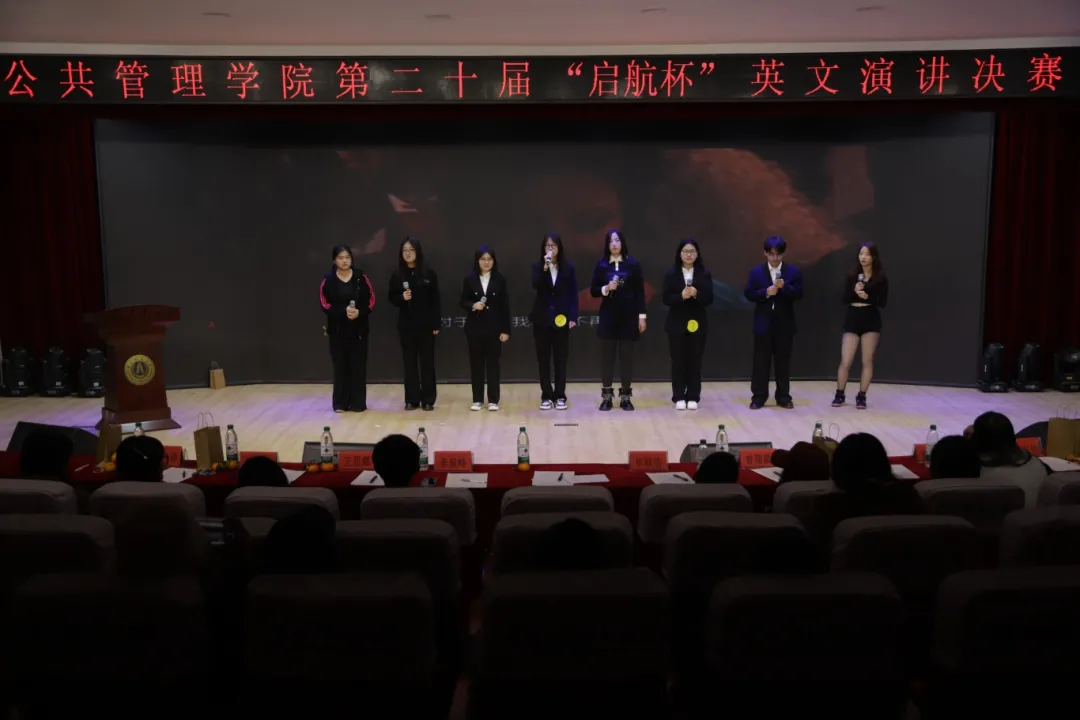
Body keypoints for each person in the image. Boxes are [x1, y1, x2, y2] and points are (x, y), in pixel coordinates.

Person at [744, 236, 803, 410]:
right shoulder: (756, 272)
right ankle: (758, 397)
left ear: (783, 254)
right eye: (771, 254)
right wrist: (765, 292)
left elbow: (799, 294)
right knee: (760, 362)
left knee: (783, 362)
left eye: (778, 254)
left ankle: (783, 396)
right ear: (765, 253)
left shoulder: (793, 272)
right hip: (763, 324)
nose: (775, 258)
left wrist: (785, 287)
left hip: (784, 324)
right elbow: (749, 293)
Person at [590, 229, 646, 411]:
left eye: (617, 240)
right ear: (607, 245)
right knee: (607, 358)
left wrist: (642, 316)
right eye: (611, 241)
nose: (614, 244)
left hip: (628, 316)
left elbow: (639, 292)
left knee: (626, 358)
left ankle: (625, 397)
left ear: (622, 243)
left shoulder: (633, 264)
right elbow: (593, 290)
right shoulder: (601, 265)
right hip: (608, 316)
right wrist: (606, 288)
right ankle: (606, 397)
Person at [319, 244, 375, 413]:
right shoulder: (328, 280)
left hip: (358, 330)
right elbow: (324, 303)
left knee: (358, 366)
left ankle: (358, 403)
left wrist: (359, 312)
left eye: (347, 257)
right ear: (334, 260)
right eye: (341, 258)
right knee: (340, 366)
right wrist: (342, 312)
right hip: (337, 330)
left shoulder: (360, 277)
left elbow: (371, 300)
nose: (344, 261)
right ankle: (340, 403)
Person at [833, 242, 889, 410]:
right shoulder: (852, 276)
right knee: (846, 359)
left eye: (867, 254)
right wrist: (854, 292)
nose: (863, 257)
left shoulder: (880, 278)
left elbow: (882, 302)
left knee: (867, 359)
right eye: (861, 254)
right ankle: (839, 393)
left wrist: (867, 297)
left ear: (874, 257)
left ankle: (861, 395)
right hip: (853, 317)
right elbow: (844, 299)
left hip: (870, 318)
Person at [388, 237, 441, 411]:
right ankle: (412, 399)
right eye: (404, 250)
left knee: (427, 363)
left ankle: (428, 399)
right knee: (409, 363)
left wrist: (436, 324)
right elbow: (391, 297)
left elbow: (435, 300)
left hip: (426, 325)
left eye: (411, 250)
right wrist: (401, 298)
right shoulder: (398, 274)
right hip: (406, 326)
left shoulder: (428, 273)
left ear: (417, 252)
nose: (408, 253)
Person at [662, 238, 715, 411]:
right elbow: (666, 298)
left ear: (697, 254)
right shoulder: (671, 274)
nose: (689, 254)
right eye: (685, 251)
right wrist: (681, 296)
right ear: (679, 254)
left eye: (692, 251)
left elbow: (709, 299)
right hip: (676, 323)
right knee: (678, 361)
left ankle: (693, 396)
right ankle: (678, 396)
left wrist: (697, 294)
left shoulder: (704, 273)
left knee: (694, 361)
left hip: (697, 323)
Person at [530, 232, 579, 410]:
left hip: (561, 319)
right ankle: (546, 395)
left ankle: (560, 395)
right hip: (542, 319)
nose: (550, 249)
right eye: (547, 246)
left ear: (559, 248)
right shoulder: (538, 266)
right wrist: (545, 267)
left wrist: (573, 316)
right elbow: (536, 285)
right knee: (543, 360)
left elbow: (573, 293)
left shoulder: (568, 268)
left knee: (560, 359)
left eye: (553, 246)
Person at [460, 245, 511, 411]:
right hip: (475, 327)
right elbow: (463, 301)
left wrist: (505, 330)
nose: (486, 262)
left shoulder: (500, 279)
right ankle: (477, 399)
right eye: (483, 259)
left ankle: (493, 400)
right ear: (477, 261)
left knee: (493, 364)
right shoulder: (470, 279)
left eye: (489, 259)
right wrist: (473, 305)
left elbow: (505, 306)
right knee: (476, 364)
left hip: (494, 328)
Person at [970, 411, 1049, 507]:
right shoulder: (1038, 464)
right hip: (1038, 515)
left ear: (977, 441)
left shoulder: (982, 474)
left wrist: (968, 441)